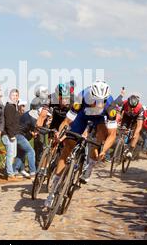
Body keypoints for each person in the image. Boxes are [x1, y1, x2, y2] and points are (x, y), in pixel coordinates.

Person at [44, 80, 118, 209]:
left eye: (102, 101)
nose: (99, 104)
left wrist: (104, 150)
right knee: (67, 147)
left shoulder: (110, 107)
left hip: (100, 119)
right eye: (96, 100)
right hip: (82, 116)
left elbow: (112, 134)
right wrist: (61, 135)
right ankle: (53, 190)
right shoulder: (81, 97)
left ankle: (89, 167)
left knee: (100, 137)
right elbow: (67, 121)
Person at [2, 89, 22, 181]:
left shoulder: (14, 106)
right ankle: (10, 174)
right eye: (13, 95)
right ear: (10, 96)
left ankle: (10, 172)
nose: (15, 97)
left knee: (13, 154)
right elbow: (8, 123)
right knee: (10, 155)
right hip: (8, 135)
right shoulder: (9, 107)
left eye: (16, 95)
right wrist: (11, 135)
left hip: (12, 133)